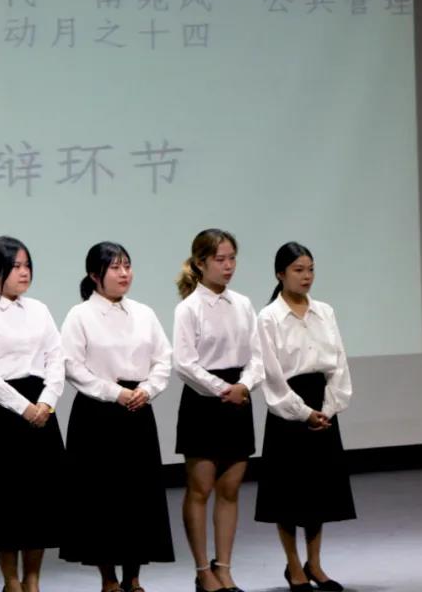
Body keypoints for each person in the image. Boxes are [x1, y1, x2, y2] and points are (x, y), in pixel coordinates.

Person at [59, 242, 174, 592]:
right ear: (95, 275)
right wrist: (114, 392)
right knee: (102, 499)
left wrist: (148, 389)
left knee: (138, 497)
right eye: (115, 267)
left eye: (127, 265)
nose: (124, 273)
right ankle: (108, 578)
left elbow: (163, 359)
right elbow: (72, 366)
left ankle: (134, 577)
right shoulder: (80, 315)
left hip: (137, 410)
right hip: (97, 414)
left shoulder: (144, 313)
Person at [0, 236, 66, 592]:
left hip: (41, 408)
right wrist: (24, 407)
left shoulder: (39, 309)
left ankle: (32, 579)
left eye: (27, 265)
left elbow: (56, 357)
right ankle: (11, 581)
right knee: (5, 502)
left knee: (39, 500)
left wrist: (47, 400)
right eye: (16, 266)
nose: (24, 273)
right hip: (3, 414)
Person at [254, 243, 355, 592]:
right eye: (298, 270)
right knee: (287, 495)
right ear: (280, 274)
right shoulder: (268, 317)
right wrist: (302, 412)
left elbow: (339, 362)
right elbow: (271, 374)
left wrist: (329, 407)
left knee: (318, 494)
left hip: (322, 404)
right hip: (288, 410)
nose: (306, 276)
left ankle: (315, 563)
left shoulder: (325, 311)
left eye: (310, 269)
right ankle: (294, 565)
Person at [173, 228, 263, 592]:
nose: (228, 266)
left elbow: (257, 356)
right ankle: (202, 570)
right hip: (204, 402)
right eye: (220, 259)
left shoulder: (243, 304)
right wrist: (222, 389)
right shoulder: (189, 308)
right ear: (200, 263)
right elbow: (184, 363)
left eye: (232, 259)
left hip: (238, 397)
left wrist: (245, 385)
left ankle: (224, 567)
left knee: (230, 489)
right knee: (200, 489)